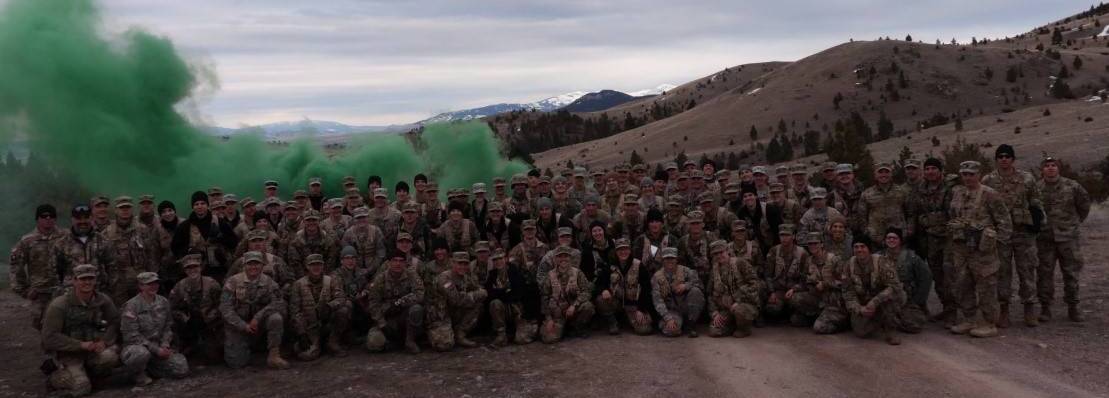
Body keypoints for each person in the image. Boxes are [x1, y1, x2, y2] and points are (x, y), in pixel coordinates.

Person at [947, 161, 1011, 338]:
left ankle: (989, 322)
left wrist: (996, 242)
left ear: (978, 174)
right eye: (964, 174)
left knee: (986, 286)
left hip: (983, 249)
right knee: (963, 283)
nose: (968, 177)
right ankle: (969, 319)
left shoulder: (989, 194)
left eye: (971, 174)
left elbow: (1004, 221)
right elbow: (953, 215)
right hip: (962, 247)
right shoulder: (957, 192)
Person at [982, 144, 1042, 328]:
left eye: (1007, 156)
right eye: (1000, 156)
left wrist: (1036, 221)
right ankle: (1004, 309)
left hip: (1024, 232)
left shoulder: (1027, 178)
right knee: (1003, 273)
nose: (1004, 159)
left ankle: (1029, 308)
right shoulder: (988, 180)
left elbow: (1036, 200)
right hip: (1001, 234)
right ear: (996, 160)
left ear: (1013, 159)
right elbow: (984, 205)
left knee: (1027, 271)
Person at [40, 264, 121, 397]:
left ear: (95, 280)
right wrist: (80, 345)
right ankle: (56, 378)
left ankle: (90, 374)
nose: (87, 282)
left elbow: (114, 321)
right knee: (82, 388)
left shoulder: (102, 300)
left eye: (91, 278)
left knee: (111, 357)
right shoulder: (60, 305)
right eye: (83, 279)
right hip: (69, 354)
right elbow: (49, 337)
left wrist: (104, 342)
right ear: (74, 281)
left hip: (93, 350)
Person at [1035, 156, 1091, 323]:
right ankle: (1045, 308)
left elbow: (1084, 205)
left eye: (1053, 165)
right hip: (1045, 238)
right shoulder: (1036, 188)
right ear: (1042, 169)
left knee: (1071, 273)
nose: (1050, 168)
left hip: (1068, 238)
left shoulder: (1072, 186)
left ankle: (1073, 307)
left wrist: (1073, 224)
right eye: (1047, 166)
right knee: (1044, 274)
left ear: (1058, 168)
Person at [219, 251, 289, 369]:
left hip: (259, 324)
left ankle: (274, 355)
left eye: (257, 264)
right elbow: (225, 308)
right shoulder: (232, 282)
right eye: (250, 264)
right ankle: (248, 347)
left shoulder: (269, 282)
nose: (253, 267)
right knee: (237, 363)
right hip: (239, 326)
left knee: (275, 318)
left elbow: (279, 302)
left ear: (262, 265)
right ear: (244, 265)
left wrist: (258, 317)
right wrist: (243, 325)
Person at [121, 272, 189, 386]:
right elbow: (132, 336)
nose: (154, 286)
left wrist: (165, 344)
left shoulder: (163, 302)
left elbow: (168, 326)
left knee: (181, 369)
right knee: (140, 354)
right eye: (149, 284)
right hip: (138, 347)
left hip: (159, 347)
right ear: (141, 286)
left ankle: (151, 368)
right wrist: (156, 350)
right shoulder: (131, 306)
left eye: (156, 283)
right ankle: (137, 374)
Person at [910, 157, 956, 325]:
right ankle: (946, 308)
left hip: (948, 238)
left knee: (949, 274)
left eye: (933, 169)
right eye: (927, 168)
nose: (930, 172)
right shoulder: (920, 189)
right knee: (936, 274)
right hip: (930, 239)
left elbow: (952, 213)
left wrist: (930, 219)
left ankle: (954, 311)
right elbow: (917, 212)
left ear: (940, 170)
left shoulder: (950, 188)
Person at [11, 204, 66, 330]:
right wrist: (24, 290)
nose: (48, 218)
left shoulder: (65, 236)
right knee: (42, 327)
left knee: (64, 325)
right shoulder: (27, 241)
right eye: (44, 216)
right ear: (37, 219)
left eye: (51, 216)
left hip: (63, 291)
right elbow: (16, 267)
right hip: (40, 294)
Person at [289, 254, 351, 360]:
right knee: (308, 355)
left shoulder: (330, 280)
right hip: (310, 326)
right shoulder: (298, 284)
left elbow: (341, 298)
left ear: (323, 266)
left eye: (319, 264)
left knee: (344, 310)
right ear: (307, 267)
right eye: (312, 265)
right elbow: (295, 311)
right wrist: (301, 332)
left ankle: (333, 342)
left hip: (327, 322)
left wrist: (330, 306)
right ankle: (310, 344)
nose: (316, 267)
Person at [843, 241, 906, 345]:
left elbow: (894, 286)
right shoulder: (849, 265)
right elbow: (847, 292)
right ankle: (879, 320)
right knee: (861, 332)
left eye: (863, 246)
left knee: (896, 297)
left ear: (869, 249)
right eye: (856, 247)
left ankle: (891, 329)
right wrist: (859, 309)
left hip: (883, 300)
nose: (859, 250)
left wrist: (875, 301)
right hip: (865, 302)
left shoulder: (881, 261)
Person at [365, 250, 426, 354]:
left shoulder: (411, 274)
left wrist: (402, 303)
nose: (398, 264)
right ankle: (393, 341)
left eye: (401, 261)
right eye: (395, 260)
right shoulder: (380, 279)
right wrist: (382, 324)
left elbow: (420, 294)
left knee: (416, 309)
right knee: (374, 344)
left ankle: (410, 340)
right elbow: (373, 304)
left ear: (405, 263)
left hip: (405, 317)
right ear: (389, 263)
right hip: (388, 318)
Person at [103, 196, 159, 305]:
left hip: (142, 279)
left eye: (128, 207)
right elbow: (104, 261)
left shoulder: (143, 230)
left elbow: (152, 255)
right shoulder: (107, 233)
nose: (125, 210)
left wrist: (152, 279)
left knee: (144, 310)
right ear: (116, 210)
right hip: (118, 282)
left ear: (132, 209)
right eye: (122, 208)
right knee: (122, 312)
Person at [168, 254, 223, 363]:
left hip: (209, 323)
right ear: (184, 270)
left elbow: (222, 305)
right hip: (189, 324)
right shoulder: (179, 286)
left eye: (195, 267)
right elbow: (171, 308)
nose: (192, 270)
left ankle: (210, 342)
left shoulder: (212, 284)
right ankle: (187, 343)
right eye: (189, 268)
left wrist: (210, 317)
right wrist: (184, 317)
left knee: (215, 358)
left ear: (200, 267)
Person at [427, 252, 487, 350]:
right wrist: (474, 295)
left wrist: (478, 293)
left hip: (453, 312)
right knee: (445, 344)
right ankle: (434, 331)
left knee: (478, 305)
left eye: (465, 264)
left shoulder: (465, 277)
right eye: (459, 263)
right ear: (453, 263)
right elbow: (456, 300)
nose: (462, 267)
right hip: (440, 316)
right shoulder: (444, 278)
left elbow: (480, 290)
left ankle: (460, 334)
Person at [764, 224, 818, 326]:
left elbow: (805, 278)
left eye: (787, 235)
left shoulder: (802, 253)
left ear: (793, 236)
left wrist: (794, 289)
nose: (784, 238)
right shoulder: (774, 251)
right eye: (782, 235)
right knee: (772, 309)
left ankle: (794, 313)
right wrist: (772, 292)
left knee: (796, 316)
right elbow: (768, 275)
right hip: (778, 290)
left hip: (794, 291)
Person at [540, 246, 595, 343]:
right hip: (557, 313)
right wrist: (548, 318)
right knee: (548, 339)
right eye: (560, 256)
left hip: (574, 310)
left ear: (570, 258)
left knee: (588, 306)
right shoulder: (550, 275)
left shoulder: (577, 273)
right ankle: (563, 328)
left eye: (566, 256)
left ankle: (576, 327)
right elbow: (544, 297)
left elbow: (586, 291)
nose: (563, 259)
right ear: (555, 259)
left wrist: (574, 305)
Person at [882, 229, 932, 334]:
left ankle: (895, 319)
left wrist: (918, 300)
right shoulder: (878, 257)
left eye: (894, 238)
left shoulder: (912, 258)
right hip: (885, 299)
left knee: (915, 325)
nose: (891, 240)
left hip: (906, 300)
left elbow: (926, 278)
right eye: (888, 238)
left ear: (900, 240)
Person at [707, 240, 759, 338]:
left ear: (727, 251)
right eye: (715, 254)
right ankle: (732, 325)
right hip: (726, 308)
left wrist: (739, 300)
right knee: (714, 331)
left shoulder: (740, 263)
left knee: (740, 311)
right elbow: (709, 294)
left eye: (721, 252)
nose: (719, 256)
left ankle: (744, 329)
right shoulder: (714, 270)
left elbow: (755, 283)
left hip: (744, 304)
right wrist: (714, 312)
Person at [485, 248, 537, 345]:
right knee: (494, 303)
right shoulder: (492, 275)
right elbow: (489, 294)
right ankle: (501, 335)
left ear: (505, 259)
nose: (498, 262)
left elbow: (518, 293)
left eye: (500, 258)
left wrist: (500, 292)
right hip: (504, 309)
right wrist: (506, 292)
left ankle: (528, 327)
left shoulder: (515, 272)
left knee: (521, 340)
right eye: (495, 260)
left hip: (518, 310)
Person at [651, 247, 705, 338]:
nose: (669, 261)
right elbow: (657, 301)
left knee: (696, 291)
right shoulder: (656, 277)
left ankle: (691, 324)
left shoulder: (686, 271)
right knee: (672, 331)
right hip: (671, 311)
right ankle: (672, 324)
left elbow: (700, 284)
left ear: (676, 259)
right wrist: (668, 318)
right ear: (662, 260)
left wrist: (686, 286)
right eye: (667, 258)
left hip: (685, 307)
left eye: (672, 258)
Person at [855, 162, 912, 245]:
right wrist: (866, 232)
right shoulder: (867, 194)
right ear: (875, 175)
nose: (883, 175)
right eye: (880, 172)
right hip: (875, 237)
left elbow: (911, 212)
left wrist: (909, 230)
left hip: (898, 236)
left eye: (887, 172)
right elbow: (861, 216)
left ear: (891, 174)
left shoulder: (902, 192)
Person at [805, 232, 847, 335]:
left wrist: (825, 284)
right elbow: (806, 279)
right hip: (819, 298)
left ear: (822, 244)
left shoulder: (833, 259)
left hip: (835, 301)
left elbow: (844, 282)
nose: (813, 246)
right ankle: (819, 315)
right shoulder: (808, 261)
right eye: (810, 244)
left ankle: (844, 322)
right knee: (795, 300)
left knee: (818, 328)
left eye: (816, 243)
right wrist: (794, 288)